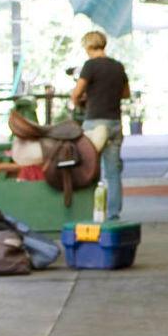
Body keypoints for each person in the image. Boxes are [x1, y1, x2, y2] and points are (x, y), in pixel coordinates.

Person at [70, 30, 129, 220]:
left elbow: (76, 93)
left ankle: (91, 211)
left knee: (89, 166)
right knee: (113, 172)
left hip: (94, 122)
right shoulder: (118, 66)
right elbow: (126, 93)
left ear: (88, 47)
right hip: (114, 123)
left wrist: (82, 101)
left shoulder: (90, 66)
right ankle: (113, 215)